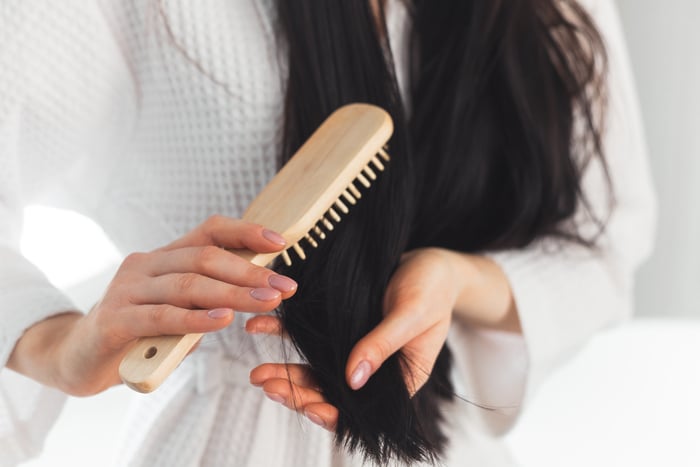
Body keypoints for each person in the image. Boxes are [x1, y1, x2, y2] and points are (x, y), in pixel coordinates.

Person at [0, 0, 655, 465]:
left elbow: (604, 248)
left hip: (436, 442)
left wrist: (453, 277)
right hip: (225, 441)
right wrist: (56, 344)